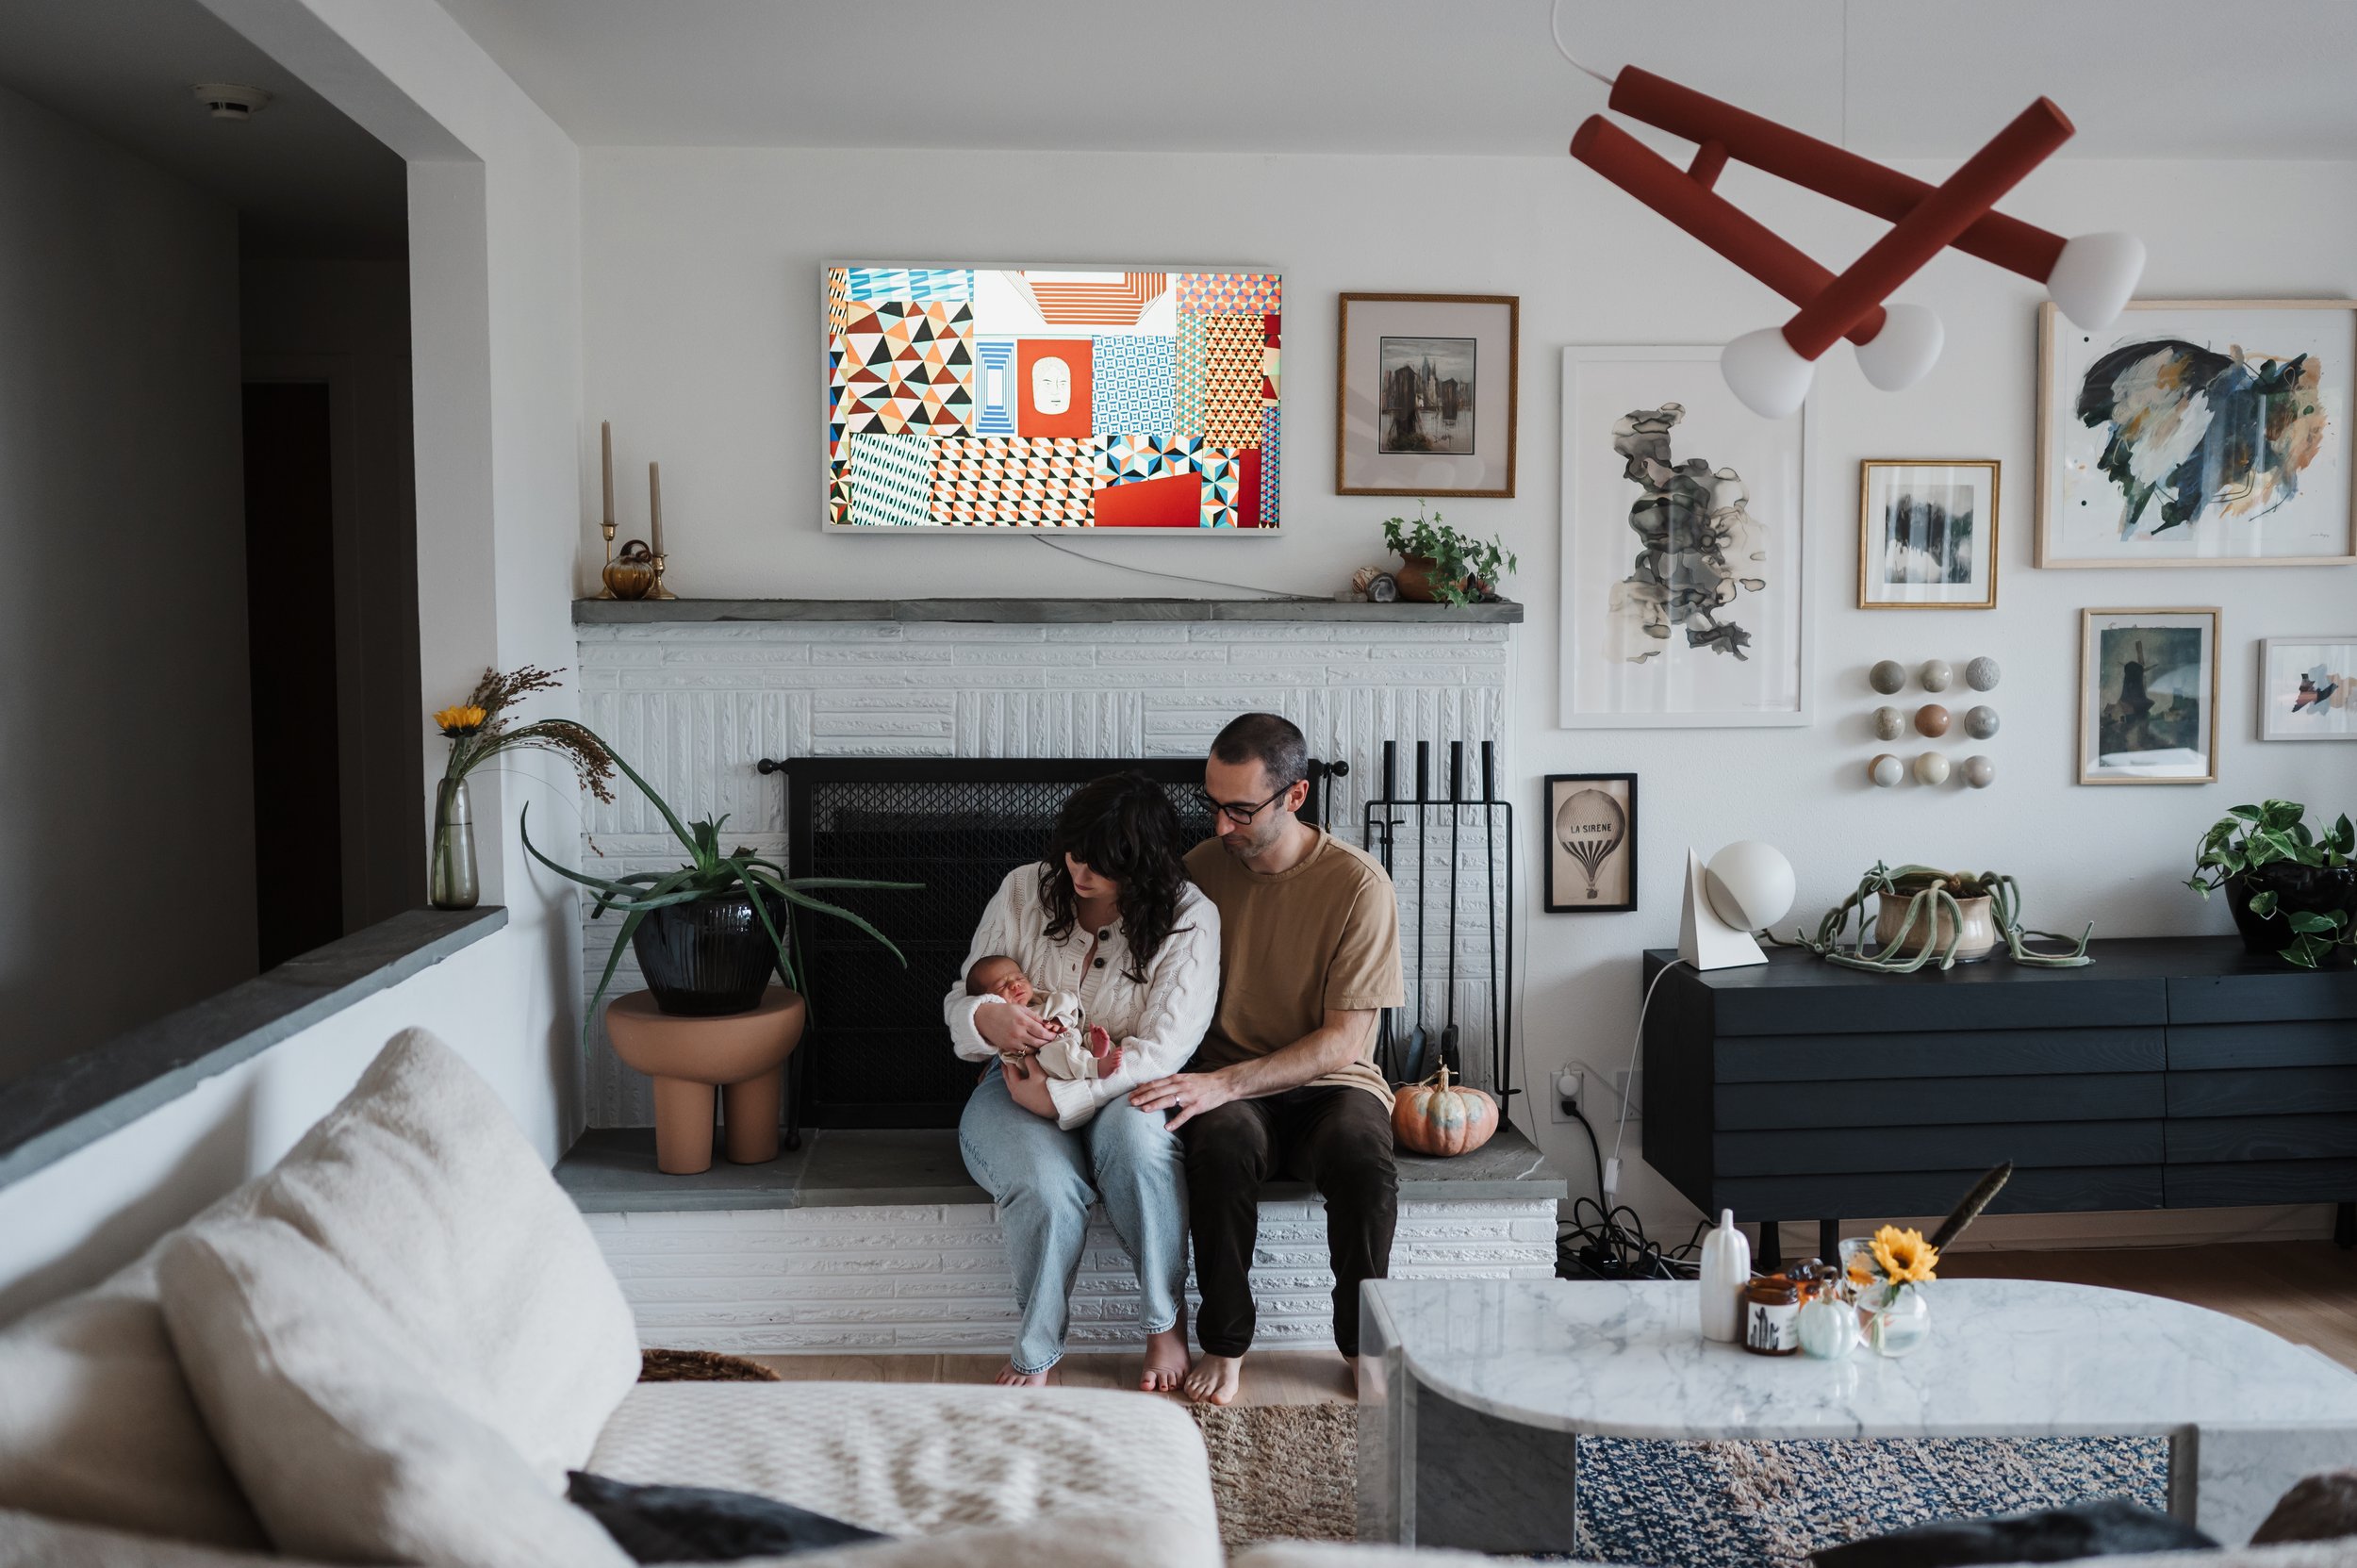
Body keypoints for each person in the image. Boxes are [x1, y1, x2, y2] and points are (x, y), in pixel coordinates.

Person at [1129, 714, 1405, 1405]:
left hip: (1330, 1083)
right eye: (1212, 804)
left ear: (1296, 797)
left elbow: (1344, 1040)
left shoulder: (1358, 885)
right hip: (1230, 1092)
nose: (1222, 826)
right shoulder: (1195, 872)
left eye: (1241, 809)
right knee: (1218, 1146)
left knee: (1363, 1157)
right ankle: (1225, 1344)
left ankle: (1362, 1344)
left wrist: (1223, 1081)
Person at [948, 771, 1220, 1391]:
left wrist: (1063, 1097)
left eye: (1102, 862)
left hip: (1125, 1082)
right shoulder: (1022, 889)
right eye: (1073, 852)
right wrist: (993, 1019)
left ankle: (1164, 1323)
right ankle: (1038, 1346)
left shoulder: (1190, 917)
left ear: (1144, 864)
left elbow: (1164, 1049)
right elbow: (968, 1001)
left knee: (1140, 1147)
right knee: (1044, 1186)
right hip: (1016, 1077)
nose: (1080, 870)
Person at [963, 955, 1123, 1083]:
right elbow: (1008, 1053)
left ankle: (1098, 1053)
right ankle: (1095, 1067)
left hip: (1071, 1038)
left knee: (1088, 1038)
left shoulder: (1041, 999)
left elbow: (1068, 1001)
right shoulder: (1003, 1019)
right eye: (1001, 986)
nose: (1015, 985)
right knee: (1053, 1054)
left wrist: (1059, 1020)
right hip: (1043, 1060)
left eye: (1019, 978)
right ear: (988, 1000)